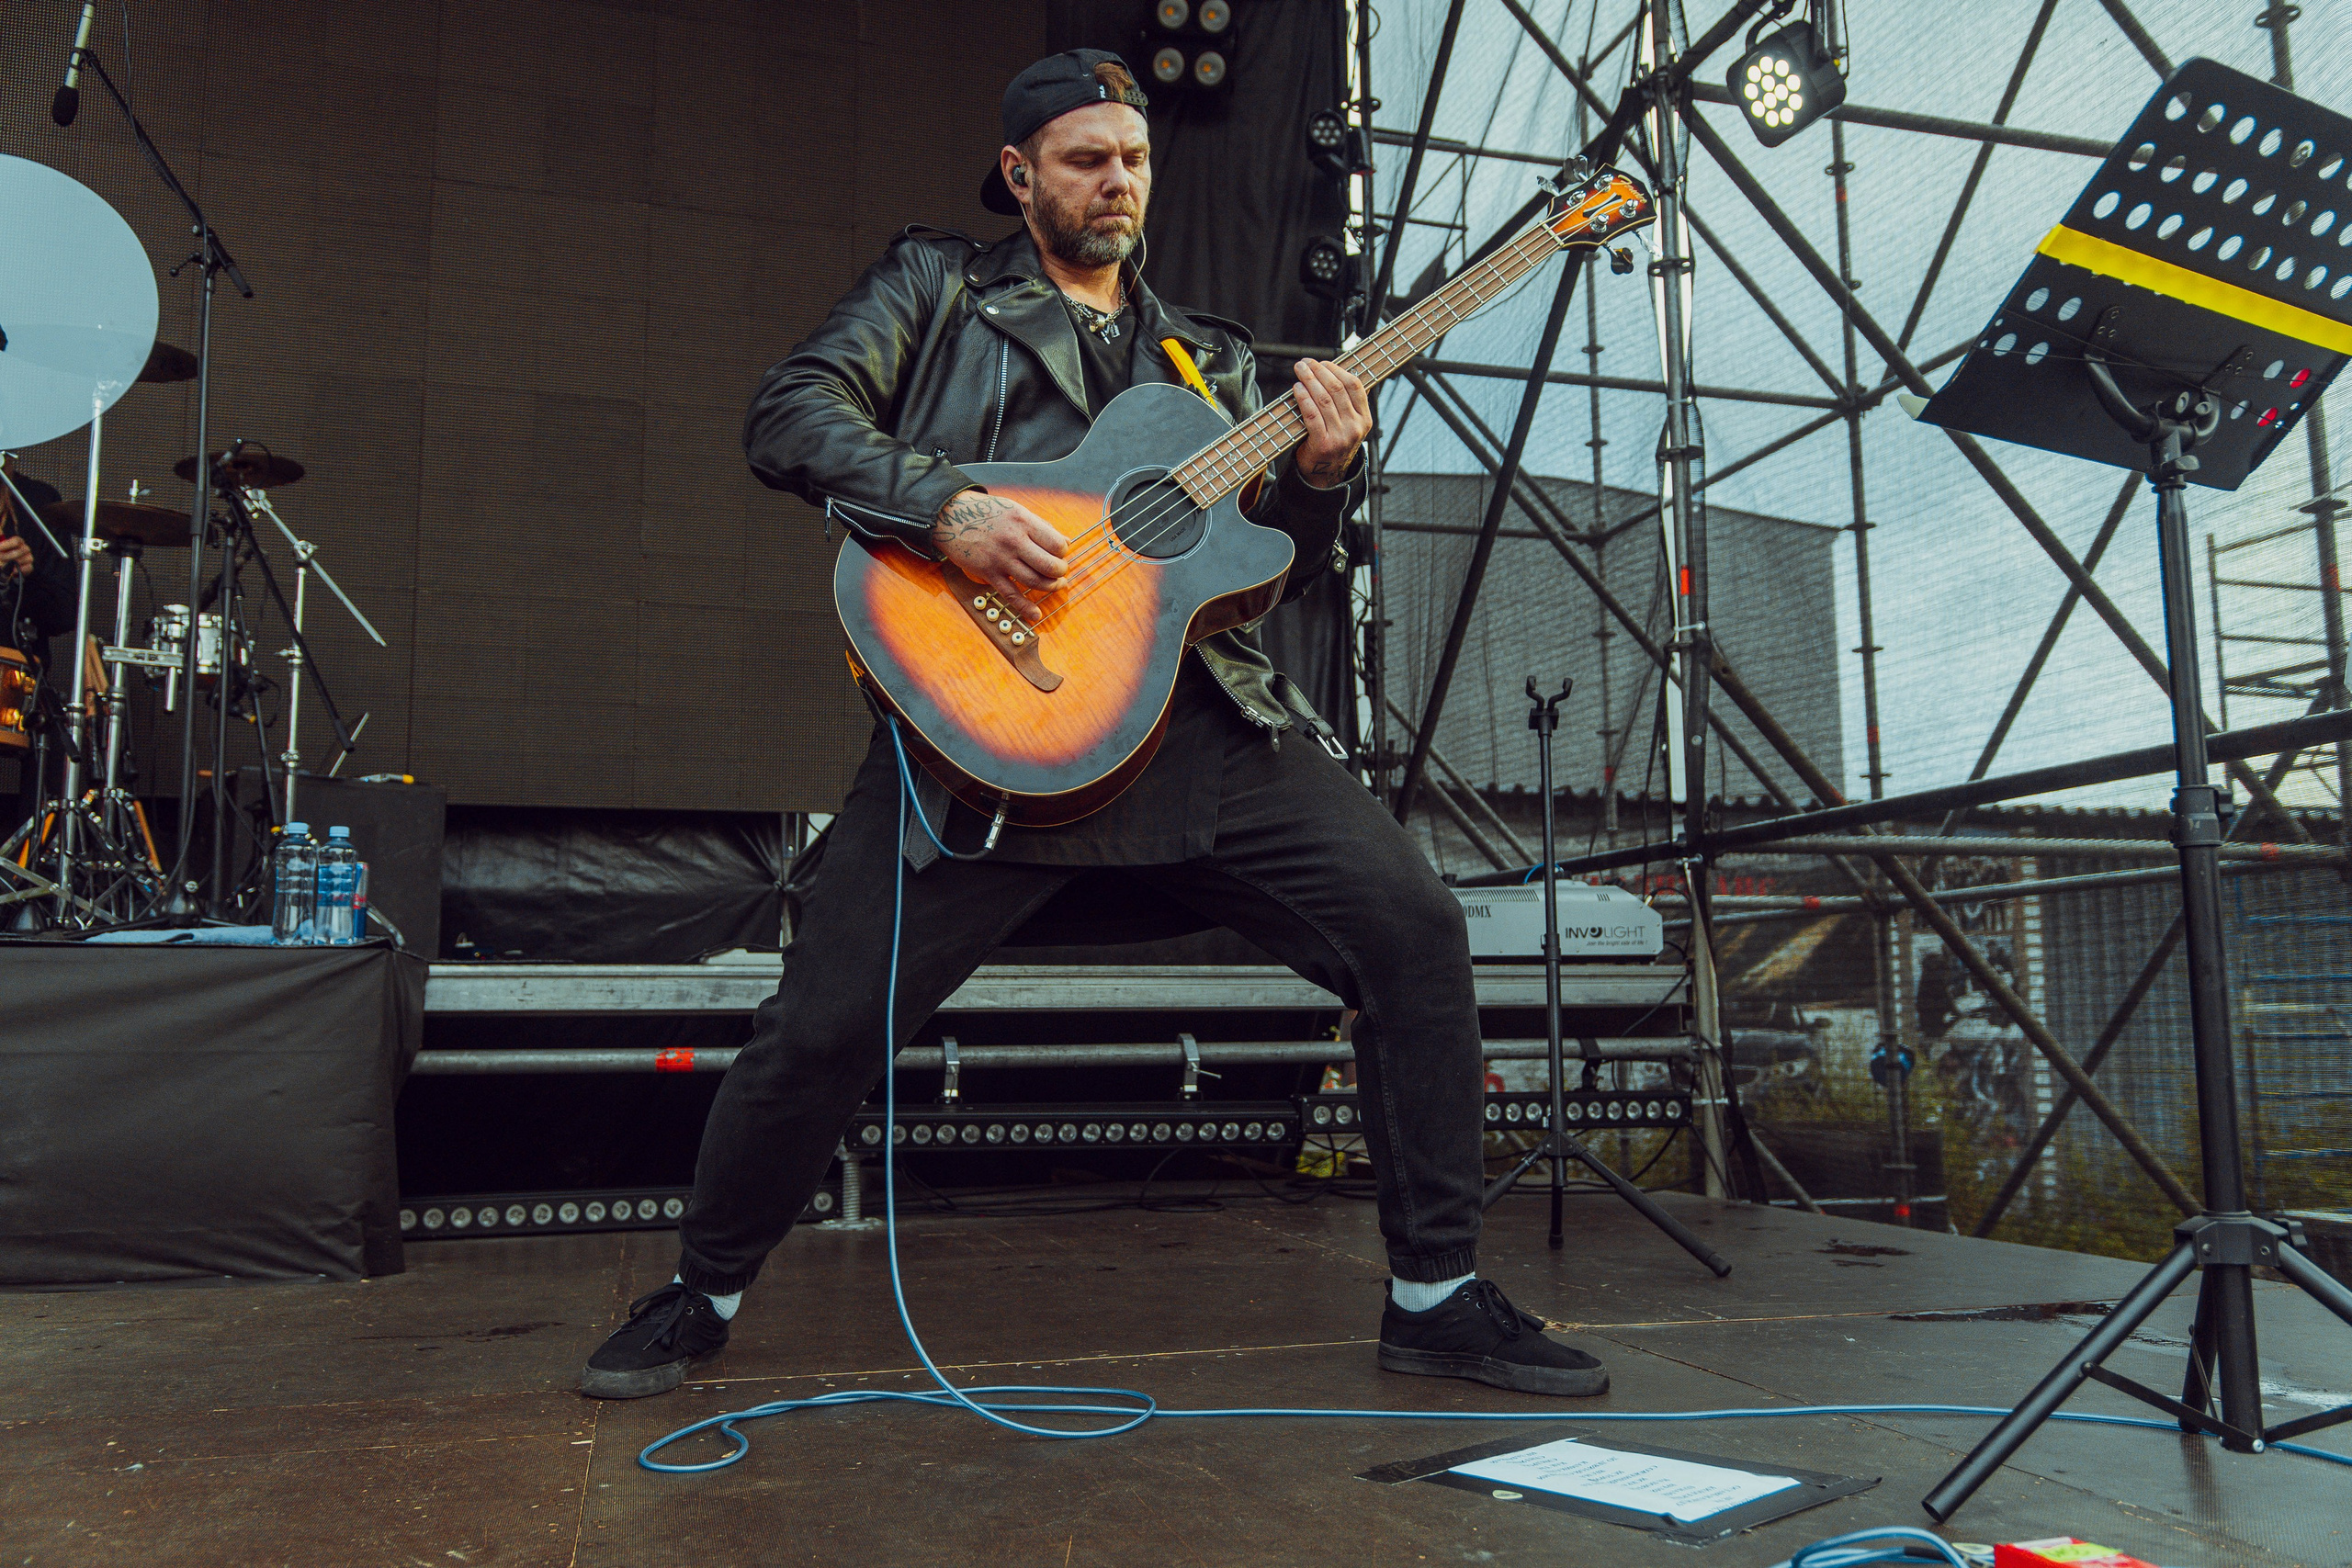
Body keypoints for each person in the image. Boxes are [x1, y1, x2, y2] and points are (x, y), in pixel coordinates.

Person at [580, 49, 1610, 1404]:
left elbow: (1262, 574)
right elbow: (791, 413)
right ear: (1020, 176)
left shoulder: (1209, 358)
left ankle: (1433, 1296)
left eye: (1133, 157)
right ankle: (701, 1292)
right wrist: (944, 507)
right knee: (821, 1029)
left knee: (1414, 928)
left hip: (1199, 726)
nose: (1118, 179)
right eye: (1085, 159)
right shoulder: (939, 286)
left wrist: (1321, 475)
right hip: (987, 736)